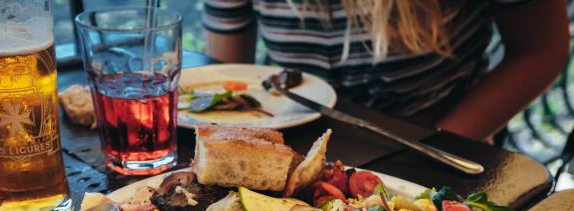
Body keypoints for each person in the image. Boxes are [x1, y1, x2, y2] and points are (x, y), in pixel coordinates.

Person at [203, 0, 569, 141]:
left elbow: (539, 51)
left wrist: (442, 143)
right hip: (294, 141)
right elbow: (228, 75)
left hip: (434, 146)